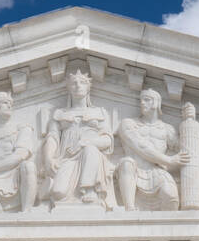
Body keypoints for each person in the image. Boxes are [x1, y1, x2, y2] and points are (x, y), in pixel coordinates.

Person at [43, 71, 114, 207]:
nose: (78, 86)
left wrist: (83, 143)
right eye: (73, 83)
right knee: (58, 192)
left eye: (82, 82)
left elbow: (108, 140)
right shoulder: (59, 114)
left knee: (90, 149)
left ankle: (89, 189)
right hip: (67, 157)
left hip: (92, 158)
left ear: (88, 87)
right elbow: (52, 138)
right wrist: (48, 158)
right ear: (69, 88)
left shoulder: (100, 112)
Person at [116, 88, 187, 211]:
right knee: (127, 163)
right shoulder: (128, 124)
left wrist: (192, 126)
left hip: (157, 172)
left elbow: (183, 148)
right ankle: (129, 208)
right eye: (141, 100)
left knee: (171, 197)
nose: (142, 103)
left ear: (156, 103)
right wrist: (169, 160)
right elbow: (141, 147)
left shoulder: (167, 129)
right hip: (134, 171)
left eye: (147, 100)